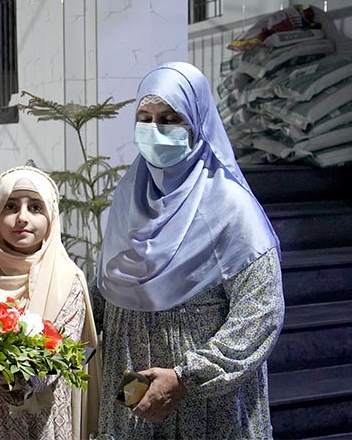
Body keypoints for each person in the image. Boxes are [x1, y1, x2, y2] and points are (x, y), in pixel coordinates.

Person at [93, 62, 284, 439]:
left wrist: (187, 377)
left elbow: (261, 312)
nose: (154, 130)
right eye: (145, 119)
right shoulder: (130, 198)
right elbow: (106, 288)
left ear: (197, 124)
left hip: (206, 402)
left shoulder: (229, 207)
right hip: (132, 388)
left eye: (169, 119)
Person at [0, 166, 100, 440]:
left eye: (35, 207)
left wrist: (15, 383)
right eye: (10, 207)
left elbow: (62, 356)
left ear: (51, 216)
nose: (22, 218)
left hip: (43, 418)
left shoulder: (67, 280)